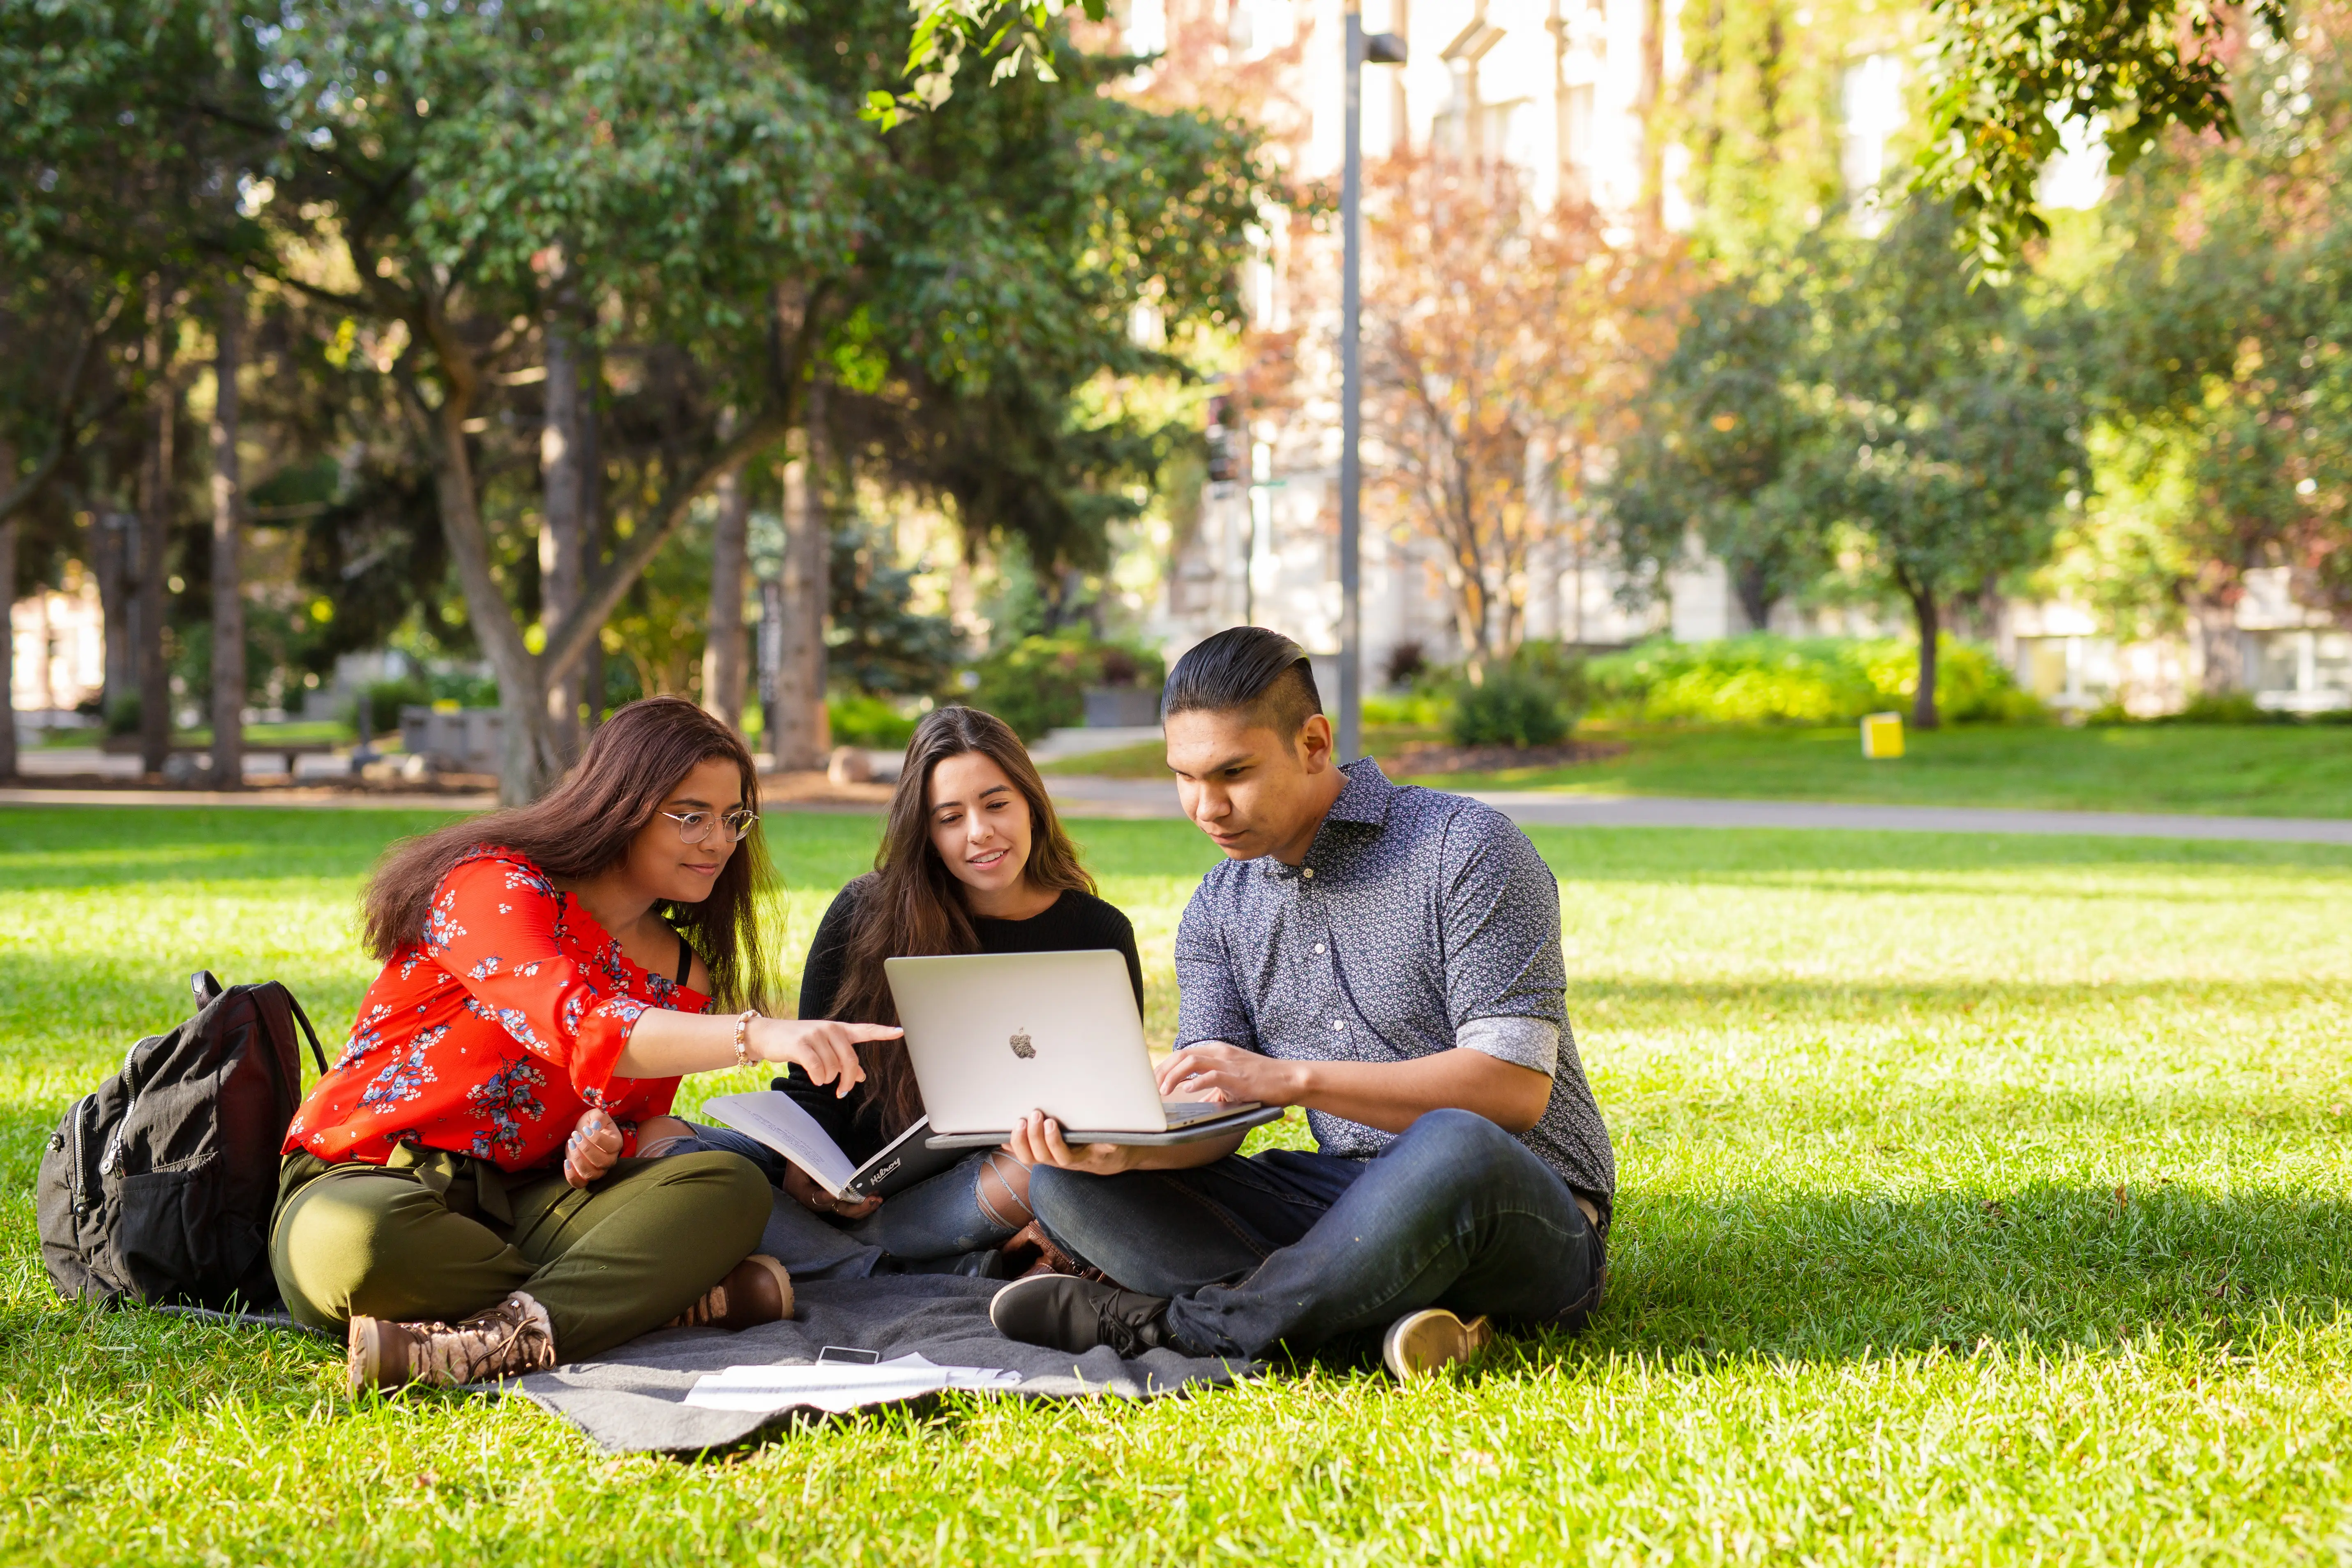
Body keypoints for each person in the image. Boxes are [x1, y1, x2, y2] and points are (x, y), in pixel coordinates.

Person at [987, 627, 1614, 1378]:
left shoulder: (1466, 847)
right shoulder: (1217, 908)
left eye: (1233, 773)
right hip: (1342, 1207)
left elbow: (1512, 1093)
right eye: (1183, 776)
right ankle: (1384, 1318)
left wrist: (1291, 1079)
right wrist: (1130, 1148)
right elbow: (1215, 1113)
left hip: (1515, 1201)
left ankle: (1187, 1329)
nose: (1205, 807)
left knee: (1457, 1143)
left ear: (1314, 742)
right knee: (1069, 1184)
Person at [271, 697, 900, 1393]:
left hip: (536, 1202)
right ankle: (648, 1303)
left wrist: (602, 1142)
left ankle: (501, 1337)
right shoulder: (493, 885)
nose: (719, 841)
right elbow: (581, 1021)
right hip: (374, 1177)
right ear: (621, 804)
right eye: (690, 815)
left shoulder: (680, 968)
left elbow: (631, 1122)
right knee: (360, 1250)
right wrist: (759, 1034)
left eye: (733, 819)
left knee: (728, 1188)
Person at [653, 704, 1146, 1279]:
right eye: (950, 817)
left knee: (1038, 1173)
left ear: (1031, 804)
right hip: (844, 1182)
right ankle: (907, 1269)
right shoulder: (864, 912)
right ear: (926, 830)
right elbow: (810, 1087)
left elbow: (1110, 1108)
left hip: (978, 1192)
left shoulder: (1098, 935)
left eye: (996, 804)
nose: (979, 832)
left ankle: (838, 1263)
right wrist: (803, 1167)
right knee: (660, 1142)